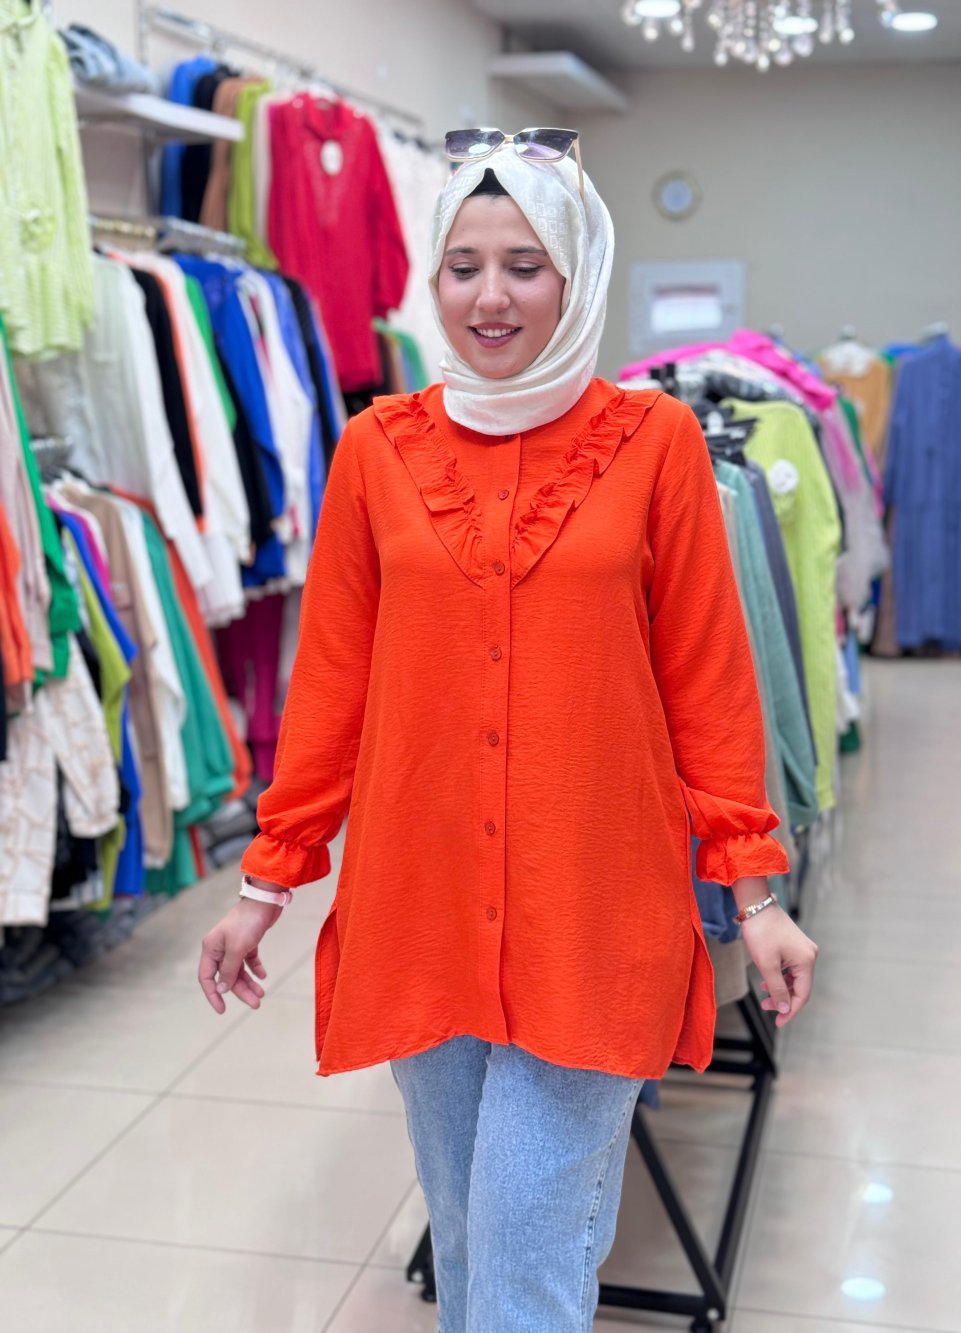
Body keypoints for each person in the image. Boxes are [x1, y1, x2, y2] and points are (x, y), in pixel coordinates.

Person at [198, 128, 818, 1333]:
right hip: (418, 905)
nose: (491, 296)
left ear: (575, 274)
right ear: (430, 278)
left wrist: (756, 895)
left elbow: (708, 684)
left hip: (593, 910)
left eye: (525, 265)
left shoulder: (655, 444)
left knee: (528, 1259)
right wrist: (266, 884)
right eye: (464, 266)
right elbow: (331, 685)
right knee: (470, 1240)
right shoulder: (378, 450)